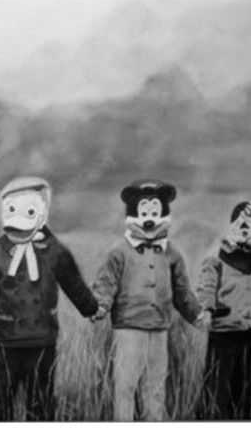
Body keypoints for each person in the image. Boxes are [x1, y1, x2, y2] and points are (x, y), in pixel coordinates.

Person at [0, 176, 99, 421]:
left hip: (42, 341)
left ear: (42, 213)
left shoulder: (55, 251)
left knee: (40, 402)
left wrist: (90, 308)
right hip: (3, 343)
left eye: (29, 212)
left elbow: (73, 282)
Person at [91, 179, 210, 421]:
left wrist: (197, 314)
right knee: (125, 387)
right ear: (132, 214)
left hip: (159, 331)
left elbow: (182, 291)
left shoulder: (172, 252)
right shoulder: (119, 251)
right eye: (144, 213)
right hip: (128, 330)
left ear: (164, 214)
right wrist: (101, 304)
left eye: (155, 213)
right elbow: (106, 282)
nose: (149, 219)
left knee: (155, 388)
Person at [196, 200, 251, 419]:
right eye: (245, 227)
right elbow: (207, 283)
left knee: (247, 384)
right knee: (218, 384)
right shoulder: (218, 252)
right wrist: (206, 309)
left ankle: (246, 419)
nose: (250, 233)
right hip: (225, 328)